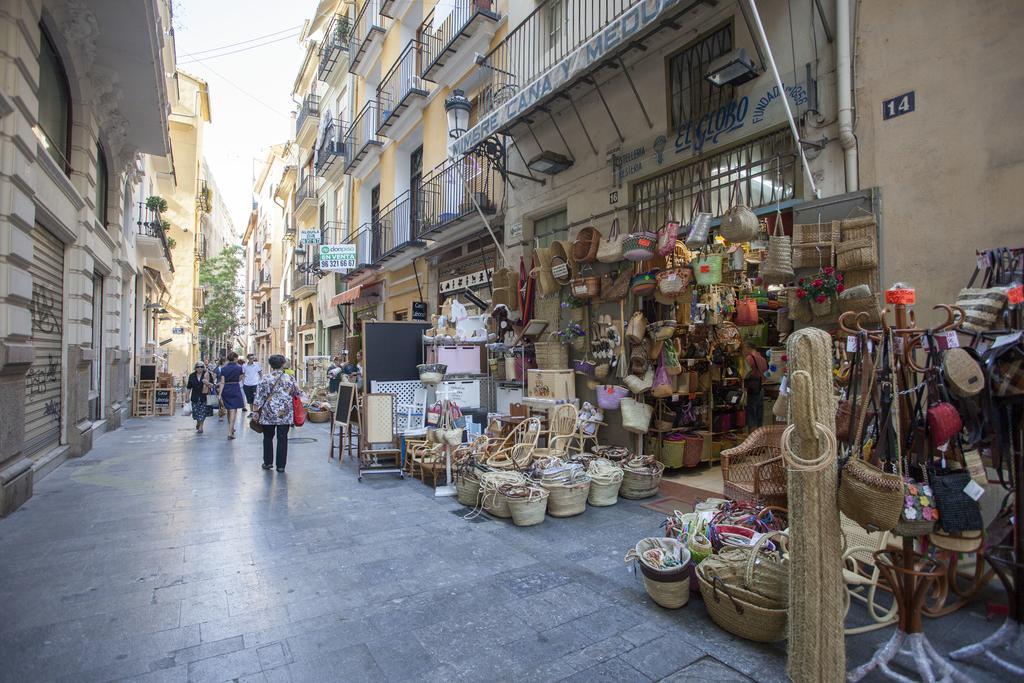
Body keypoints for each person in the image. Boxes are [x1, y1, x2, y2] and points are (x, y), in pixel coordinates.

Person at [254, 354, 301, 472]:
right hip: (284, 413)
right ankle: (281, 466)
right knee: (283, 438)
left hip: (268, 413)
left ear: (271, 365)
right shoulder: (290, 378)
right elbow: (297, 393)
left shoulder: (265, 378)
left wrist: (255, 411)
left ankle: (268, 462)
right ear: (282, 364)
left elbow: (259, 396)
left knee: (268, 438)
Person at [218, 351, 246, 439]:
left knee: (229, 409)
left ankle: (231, 427)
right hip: (235, 388)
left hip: (226, 388)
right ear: (234, 358)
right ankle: (230, 432)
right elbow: (240, 378)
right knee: (233, 410)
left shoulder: (223, 368)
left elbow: (222, 382)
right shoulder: (239, 368)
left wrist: (220, 394)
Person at [742, 341, 768, 429]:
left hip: (752, 388)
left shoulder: (749, 358)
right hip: (760, 387)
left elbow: (744, 374)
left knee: (751, 413)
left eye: (744, 348)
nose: (743, 351)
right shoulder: (763, 359)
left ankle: (752, 435)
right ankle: (759, 435)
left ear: (748, 347)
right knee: (759, 413)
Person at [185, 362, 216, 434]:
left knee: (202, 412)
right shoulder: (192, 375)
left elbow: (213, 386)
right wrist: (186, 397)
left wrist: (207, 383)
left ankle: (201, 427)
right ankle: (198, 422)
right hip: (195, 396)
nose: (200, 368)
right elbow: (189, 388)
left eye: (201, 367)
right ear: (195, 368)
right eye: (198, 367)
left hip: (204, 396)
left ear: (203, 367)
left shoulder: (207, 374)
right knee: (196, 412)